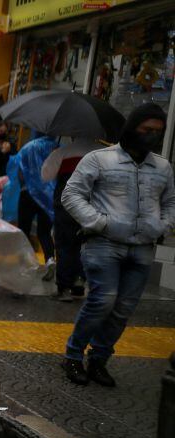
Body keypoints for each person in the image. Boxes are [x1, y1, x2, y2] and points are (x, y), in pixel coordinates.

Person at [60, 103, 175, 387]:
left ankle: (99, 359)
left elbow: (170, 203)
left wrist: (163, 226)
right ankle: (73, 355)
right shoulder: (100, 159)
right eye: (146, 130)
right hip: (103, 244)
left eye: (158, 132)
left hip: (143, 248)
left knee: (123, 309)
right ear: (132, 128)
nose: (151, 136)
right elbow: (71, 195)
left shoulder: (162, 167)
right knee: (103, 301)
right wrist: (99, 222)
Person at [42, 136, 106, 301]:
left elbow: (45, 175)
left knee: (64, 244)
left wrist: (53, 155)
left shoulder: (63, 152)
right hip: (92, 206)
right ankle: (79, 281)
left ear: (73, 134)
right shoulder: (103, 154)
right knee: (85, 244)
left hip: (66, 205)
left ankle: (64, 287)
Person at [15, 132, 59, 268]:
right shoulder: (57, 148)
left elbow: (19, 170)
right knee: (44, 231)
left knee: (24, 229)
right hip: (47, 195)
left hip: (27, 193)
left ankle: (24, 260)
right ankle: (50, 259)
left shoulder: (27, 148)